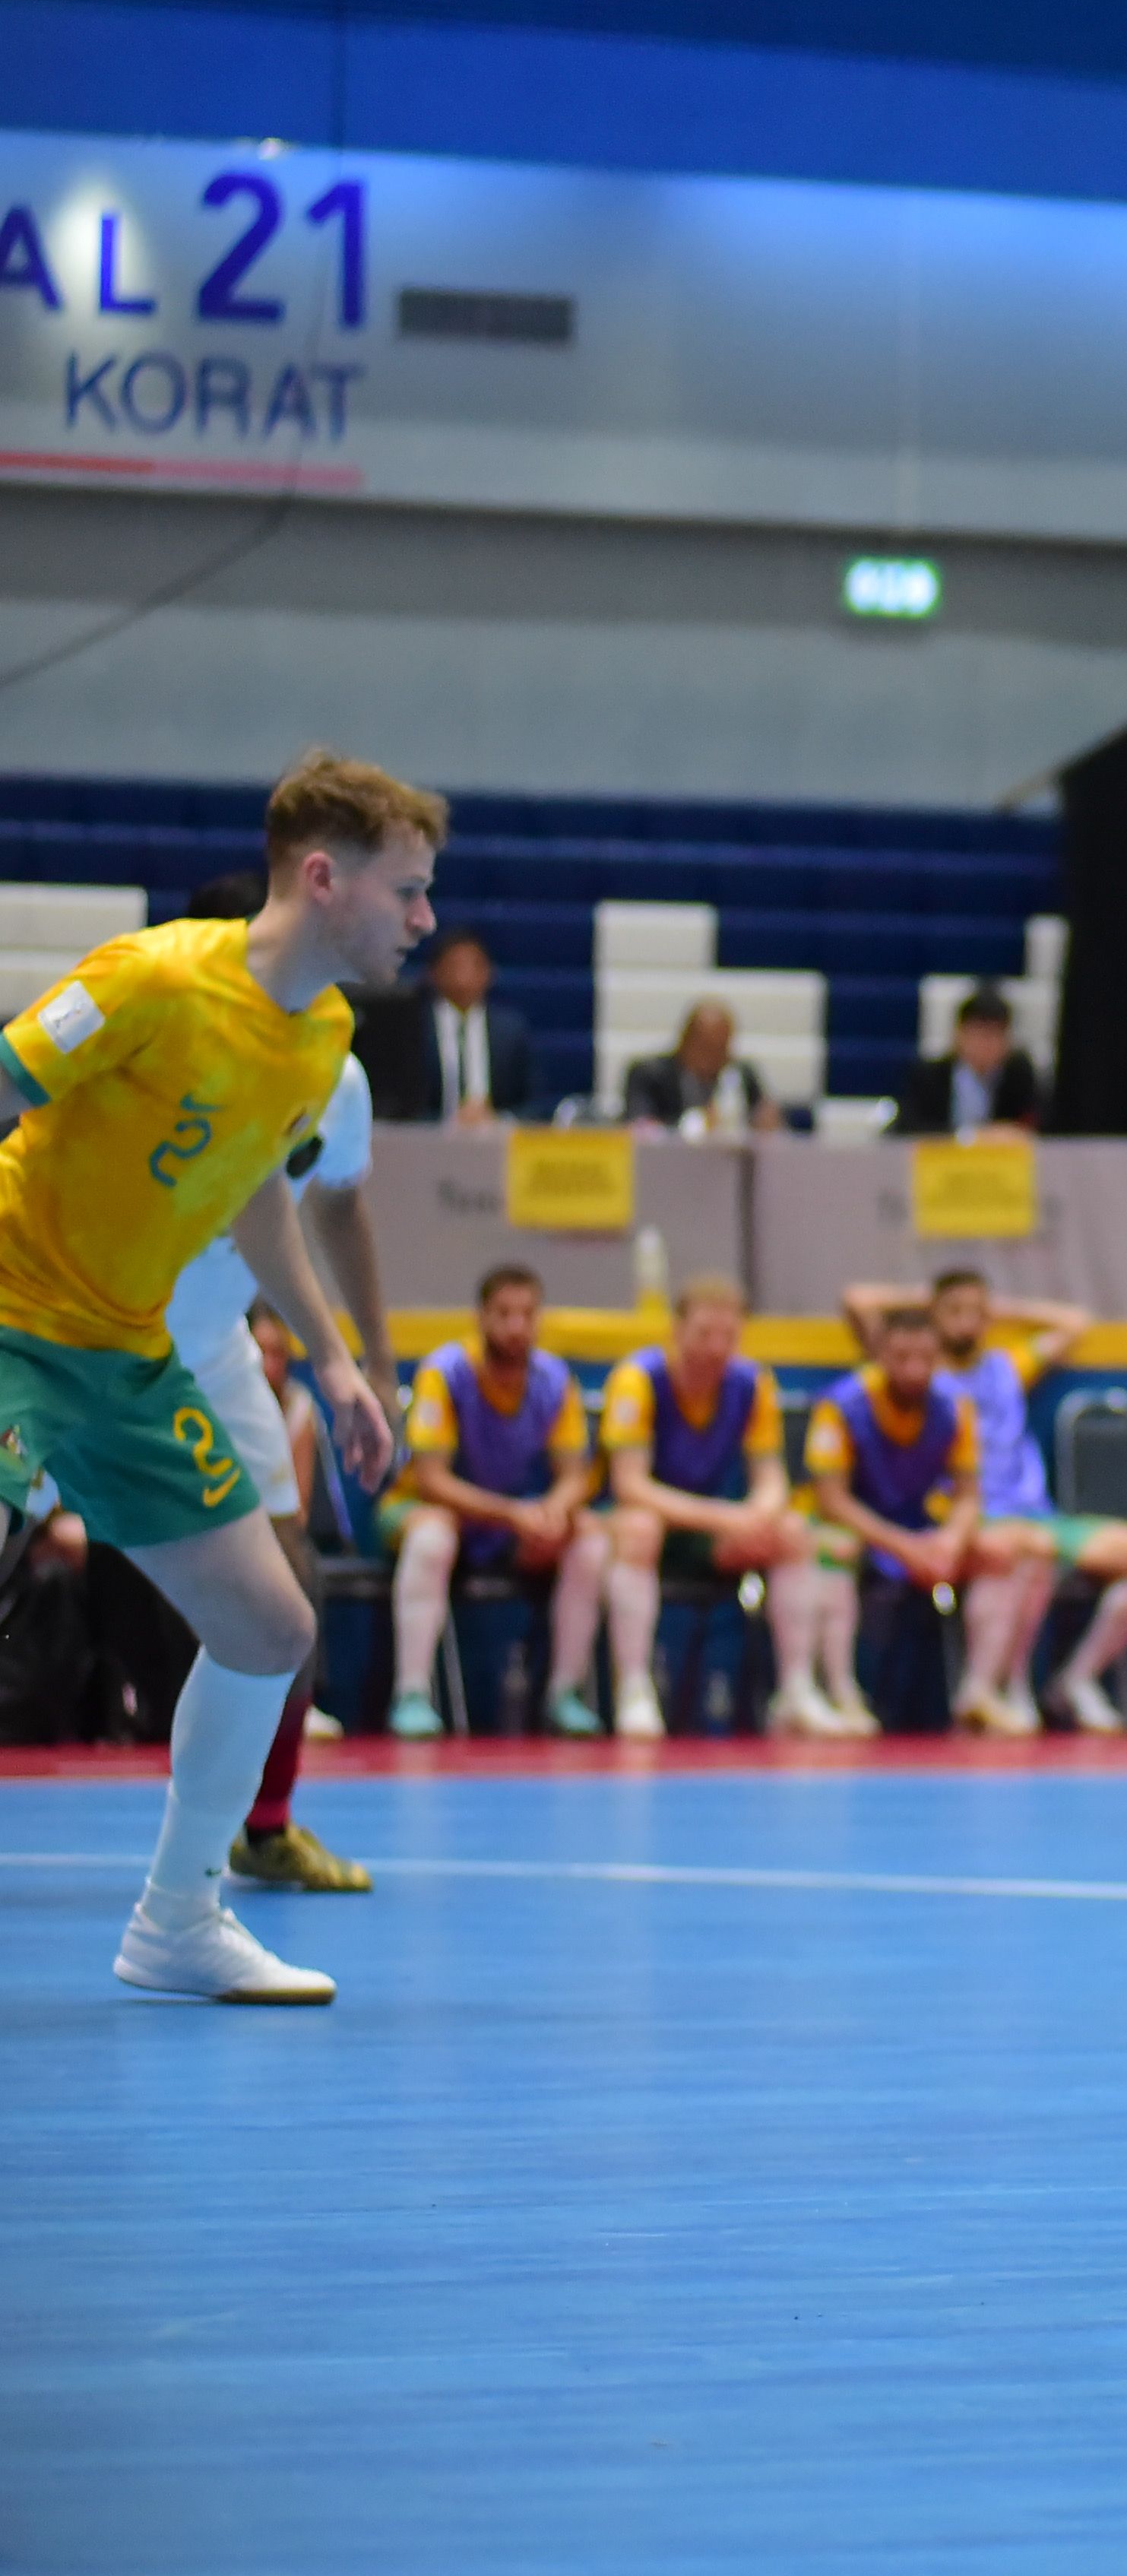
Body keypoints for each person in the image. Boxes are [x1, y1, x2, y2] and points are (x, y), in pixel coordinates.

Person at [0, 753, 427, 2000]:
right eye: (408, 890)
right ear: (323, 876)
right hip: (12, 1317)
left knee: (269, 1625)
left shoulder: (322, 1037)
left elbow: (255, 1199)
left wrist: (342, 1365)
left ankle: (177, 1922)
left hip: (128, 1352)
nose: (426, 920)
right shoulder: (150, 979)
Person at [62, 866, 397, 1893]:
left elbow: (323, 1206)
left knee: (287, 1593)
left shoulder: (327, 1067)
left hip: (208, 1351)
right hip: (64, 1333)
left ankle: (260, 1827)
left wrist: (366, 1361)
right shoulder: (141, 1020)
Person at [844, 1268, 1127, 1735]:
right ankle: (996, 1688)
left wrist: (995, 1309)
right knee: (1022, 1551)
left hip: (1035, 1516)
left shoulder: (1008, 1366)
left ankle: (1075, 1681)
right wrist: (931, 1303)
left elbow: (1076, 1322)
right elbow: (859, 1299)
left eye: (976, 1313)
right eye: (954, 1312)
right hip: (966, 1517)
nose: (966, 1321)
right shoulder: (918, 1374)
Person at [601, 1275, 859, 1738]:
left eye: (729, 1336)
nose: (717, 1348)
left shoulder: (751, 1383)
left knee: (794, 1534)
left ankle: (796, 1690)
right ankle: (634, 1688)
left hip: (717, 1534)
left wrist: (758, 1516)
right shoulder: (636, 1380)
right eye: (705, 1334)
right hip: (654, 1528)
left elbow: (771, 1478)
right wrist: (725, 1517)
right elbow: (630, 1485)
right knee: (640, 1528)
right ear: (676, 1331)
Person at [386, 1265, 630, 1739]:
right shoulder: (444, 1372)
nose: (516, 1326)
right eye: (504, 1314)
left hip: (514, 1524)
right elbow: (432, 1480)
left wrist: (554, 1509)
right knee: (433, 1536)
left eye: (527, 1314)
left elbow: (574, 1477)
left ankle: (565, 1693)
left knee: (591, 1542)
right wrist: (512, 1513)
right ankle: (411, 1692)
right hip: (432, 1511)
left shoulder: (556, 1380)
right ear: (480, 1317)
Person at [801, 1303, 1043, 1732]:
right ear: (879, 1356)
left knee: (1006, 1552)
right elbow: (832, 1501)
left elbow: (969, 1495)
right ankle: (841, 1693)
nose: (915, 1370)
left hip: (921, 1530)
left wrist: (951, 1539)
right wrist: (902, 1546)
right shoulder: (841, 1406)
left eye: (926, 1360)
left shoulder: (956, 1407)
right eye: (902, 1359)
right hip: (860, 1527)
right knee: (831, 1550)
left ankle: (980, 1691)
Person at [366, 924, 535, 1127]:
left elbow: (534, 1102)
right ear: (433, 973)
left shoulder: (511, 1030)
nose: (463, 976)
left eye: (473, 966)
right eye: (454, 966)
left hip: (495, 1139)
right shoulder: (411, 1026)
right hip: (427, 1142)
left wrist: (498, 1120)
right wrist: (446, 1123)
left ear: (489, 973)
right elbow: (392, 1103)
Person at [890, 987, 1043, 1137]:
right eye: (979, 1035)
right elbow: (907, 1128)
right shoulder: (928, 1075)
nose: (986, 1045)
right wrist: (972, 1136)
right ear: (959, 1035)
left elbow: (1041, 1124)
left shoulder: (1019, 1075)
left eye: (995, 1036)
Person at [622, 996, 775, 1135]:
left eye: (721, 1048)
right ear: (685, 1041)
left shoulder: (742, 1075)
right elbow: (641, 1128)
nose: (714, 1057)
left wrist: (766, 1123)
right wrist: (698, 1124)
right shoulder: (649, 1075)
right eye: (707, 1047)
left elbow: (764, 1123)